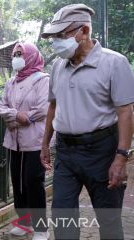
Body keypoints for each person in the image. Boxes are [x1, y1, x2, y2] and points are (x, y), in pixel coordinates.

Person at [40, 3, 134, 239]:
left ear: (84, 31)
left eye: (62, 35)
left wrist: (121, 157)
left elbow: (125, 111)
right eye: (55, 36)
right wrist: (45, 144)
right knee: (62, 218)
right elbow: (53, 106)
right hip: (65, 152)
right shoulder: (58, 67)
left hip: (102, 151)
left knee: (109, 221)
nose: (56, 41)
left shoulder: (114, 63)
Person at [0, 42, 50, 240]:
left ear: (31, 56)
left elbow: (43, 109)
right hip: (14, 140)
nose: (17, 57)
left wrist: (24, 117)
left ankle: (41, 228)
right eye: (15, 54)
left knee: (33, 182)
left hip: (35, 140)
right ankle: (25, 222)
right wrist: (17, 115)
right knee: (18, 182)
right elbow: (2, 106)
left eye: (20, 54)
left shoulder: (42, 79)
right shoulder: (11, 82)